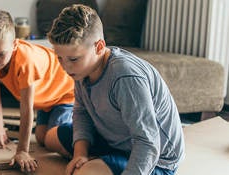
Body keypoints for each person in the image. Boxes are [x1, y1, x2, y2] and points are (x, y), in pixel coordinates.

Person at [46, 4, 185, 175]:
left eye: (73, 59)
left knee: (85, 173)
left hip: (156, 160)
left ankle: (104, 163)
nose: (65, 67)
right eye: (60, 58)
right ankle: (103, 160)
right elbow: (82, 111)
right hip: (115, 140)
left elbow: (148, 143)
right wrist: (80, 155)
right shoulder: (81, 69)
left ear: (98, 47)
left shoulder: (125, 77)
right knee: (50, 137)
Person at [0, 10, 75, 173]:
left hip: (65, 94)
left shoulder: (26, 61)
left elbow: (26, 109)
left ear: (15, 44)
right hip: (44, 102)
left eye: (1, 54)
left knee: (49, 139)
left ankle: (86, 137)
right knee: (41, 137)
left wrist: (22, 150)